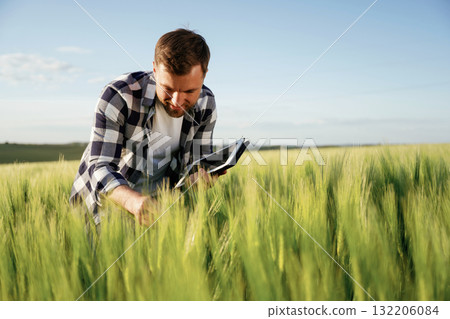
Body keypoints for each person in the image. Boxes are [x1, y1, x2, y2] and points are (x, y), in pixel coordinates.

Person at [70, 28, 223, 227]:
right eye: (168, 89)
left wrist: (199, 178)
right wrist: (132, 201)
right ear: (154, 69)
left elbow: (195, 164)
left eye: (189, 91)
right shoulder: (119, 96)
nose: (177, 101)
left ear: (204, 75)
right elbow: (100, 166)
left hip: (159, 212)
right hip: (103, 209)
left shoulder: (206, 103)